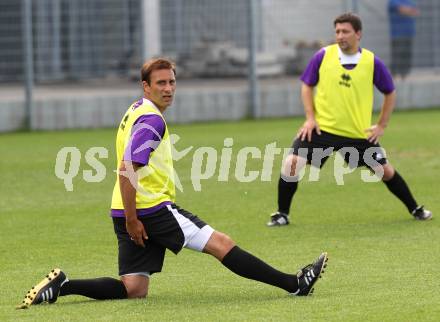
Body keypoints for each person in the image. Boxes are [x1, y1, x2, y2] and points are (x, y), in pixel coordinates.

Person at [18, 58, 328, 309]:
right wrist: (133, 219)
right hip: (149, 209)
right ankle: (294, 283)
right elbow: (127, 169)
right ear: (146, 86)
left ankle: (63, 286)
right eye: (161, 83)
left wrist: (128, 216)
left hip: (125, 208)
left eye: (172, 82)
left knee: (133, 289)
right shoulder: (153, 121)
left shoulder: (136, 109)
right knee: (221, 244)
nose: (168, 89)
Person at [267, 13, 432, 227]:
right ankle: (282, 214)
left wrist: (381, 125)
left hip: (357, 133)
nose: (340, 36)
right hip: (322, 130)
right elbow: (307, 85)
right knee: (291, 164)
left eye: (345, 31)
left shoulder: (372, 62)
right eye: (337, 31)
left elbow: (390, 93)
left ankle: (415, 209)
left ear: (358, 34)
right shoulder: (323, 56)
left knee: (385, 171)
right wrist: (310, 118)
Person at [388, 0, 419, 78]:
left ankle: (404, 75)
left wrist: (409, 11)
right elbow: (401, 9)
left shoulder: (409, 1)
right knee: (398, 54)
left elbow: (416, 11)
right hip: (397, 34)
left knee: (407, 54)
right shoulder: (393, 1)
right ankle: (395, 76)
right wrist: (410, 11)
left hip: (409, 32)